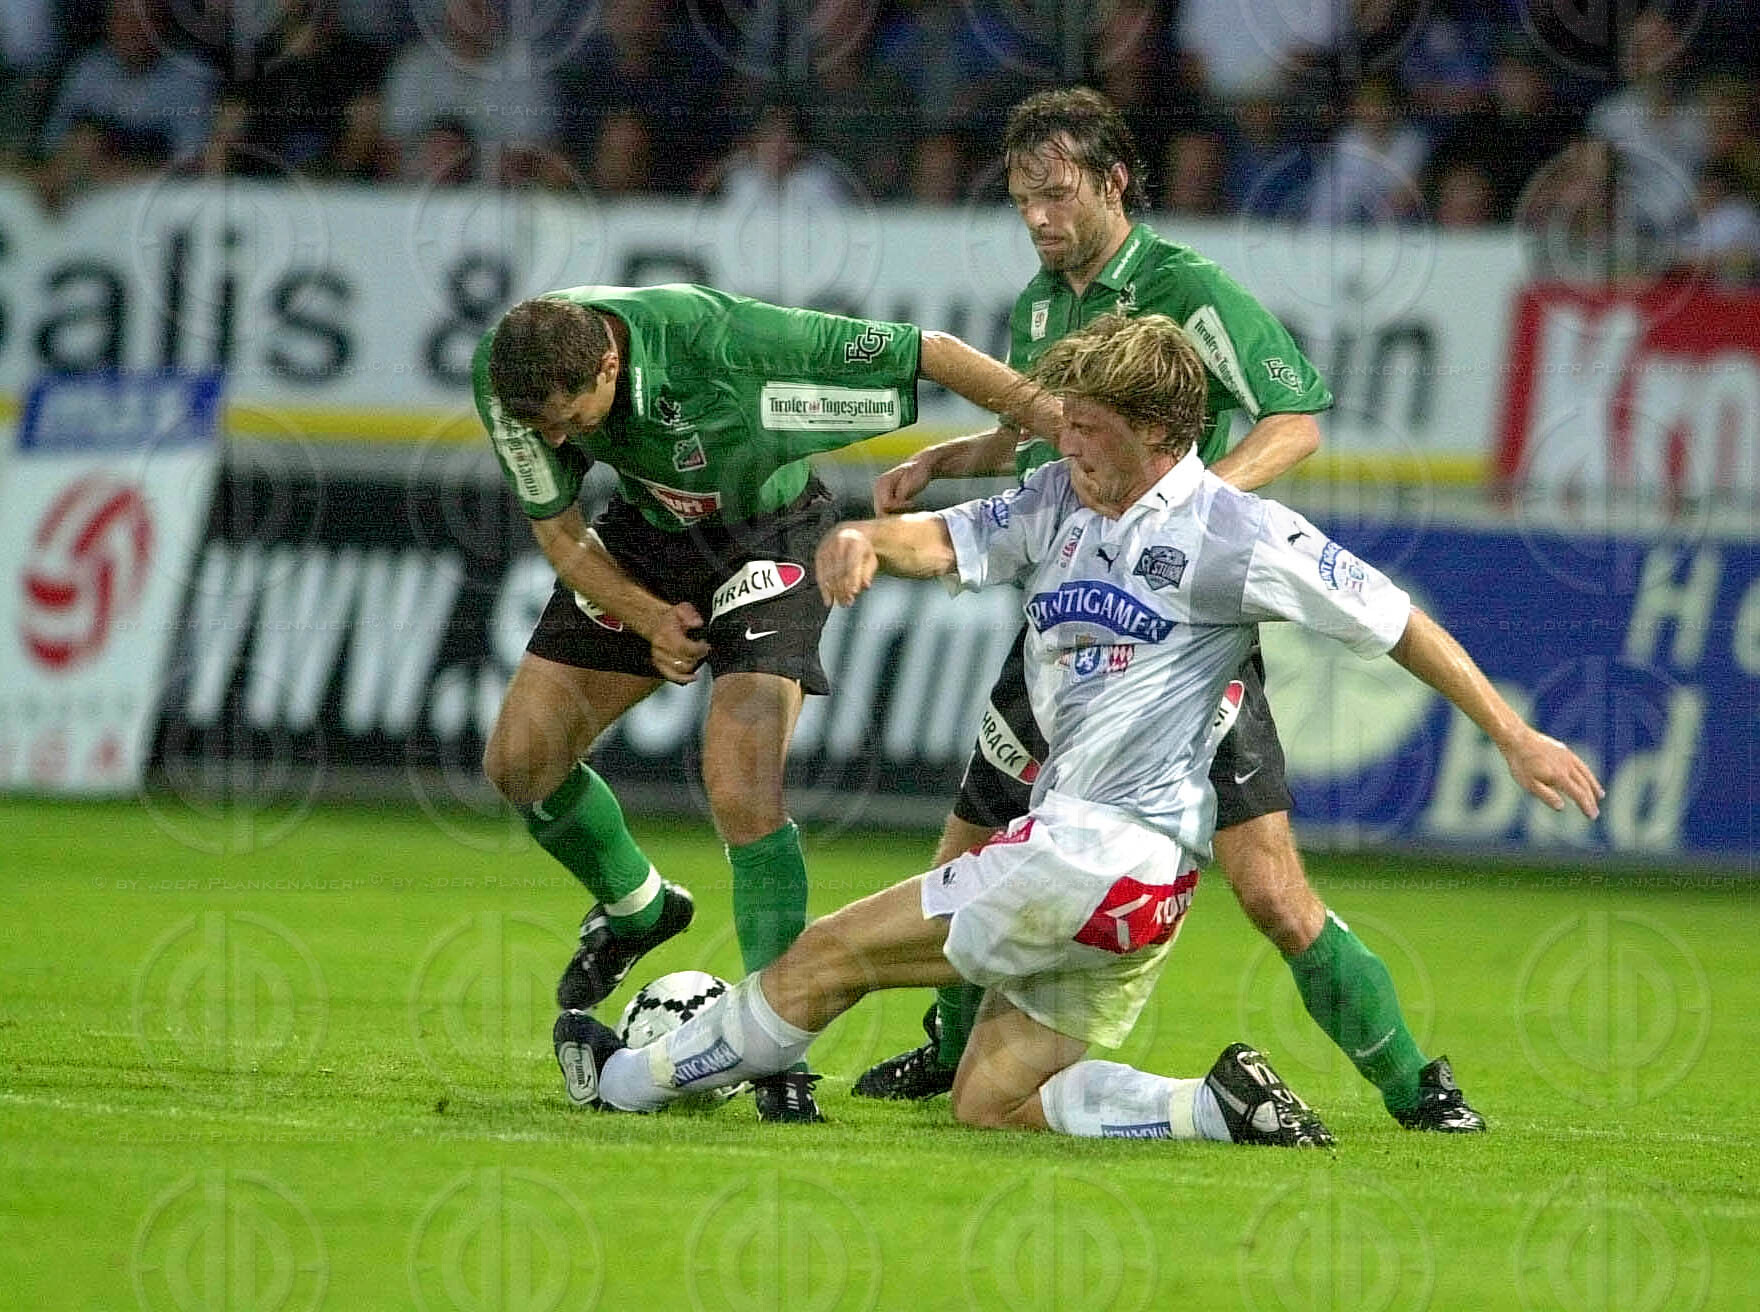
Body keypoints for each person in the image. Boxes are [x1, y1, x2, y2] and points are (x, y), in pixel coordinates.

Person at [551, 313, 1604, 1142]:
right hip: (1138, 895)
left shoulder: (1237, 533)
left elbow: (1397, 621)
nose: (1067, 437)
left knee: (826, 956)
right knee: (992, 1100)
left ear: (1162, 433)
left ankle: (623, 1081)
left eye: (1090, 425)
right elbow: (949, 537)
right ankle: (1215, 1107)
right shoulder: (1060, 495)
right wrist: (870, 540)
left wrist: (1512, 735)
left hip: (1087, 856)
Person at [857, 85, 1487, 1134]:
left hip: (1176, 643)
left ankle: (1418, 1087)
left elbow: (1295, 418)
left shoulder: (1186, 290)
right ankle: (950, 1045)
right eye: (1021, 200)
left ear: (1112, 182)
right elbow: (1041, 434)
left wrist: (1191, 516)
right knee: (966, 844)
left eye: (1057, 195)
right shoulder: (1041, 305)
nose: (1038, 218)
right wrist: (947, 458)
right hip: (1065, 625)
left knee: (1270, 890)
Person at [474, 284, 1059, 1123]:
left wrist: (1060, 423)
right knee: (520, 764)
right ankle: (638, 908)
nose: (557, 439)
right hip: (642, 539)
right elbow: (561, 532)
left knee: (742, 787)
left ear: (607, 364)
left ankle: (779, 1058)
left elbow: (927, 350)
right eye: (543, 426)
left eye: (570, 420)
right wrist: (648, 617)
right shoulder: (509, 378)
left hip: (769, 535)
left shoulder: (728, 343)